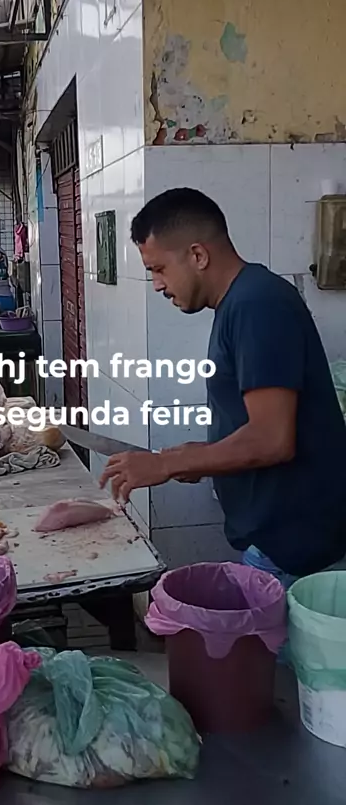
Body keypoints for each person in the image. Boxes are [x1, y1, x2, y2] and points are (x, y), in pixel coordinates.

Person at [99, 187, 346, 588]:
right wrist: (195, 456)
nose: (157, 285)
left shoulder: (257, 305)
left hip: (294, 547)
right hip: (275, 539)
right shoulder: (241, 302)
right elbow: (256, 423)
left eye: (159, 269)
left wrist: (167, 465)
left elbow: (272, 440)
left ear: (198, 255)